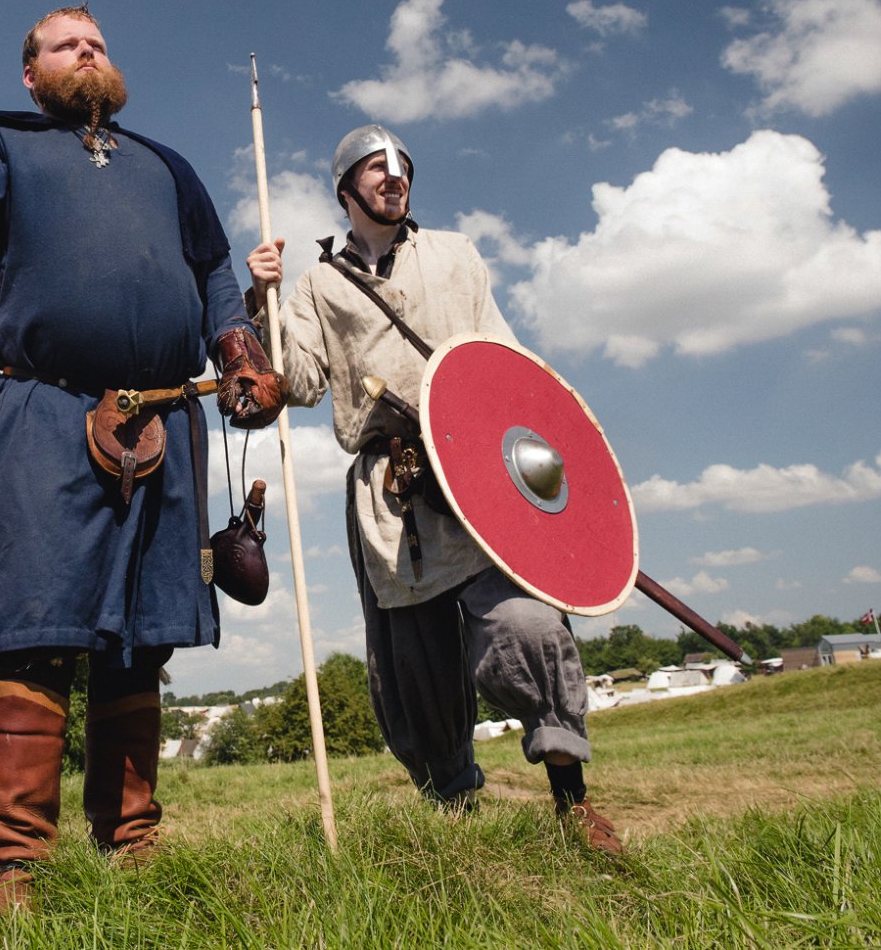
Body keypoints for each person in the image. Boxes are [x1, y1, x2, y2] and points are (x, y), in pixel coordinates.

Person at [0, 0, 284, 907]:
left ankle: (133, 842)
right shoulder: (2, 146)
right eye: (64, 45)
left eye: (95, 40)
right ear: (30, 73)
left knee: (139, 645)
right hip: (47, 416)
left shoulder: (166, 166)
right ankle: (13, 864)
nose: (87, 51)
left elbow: (212, 268)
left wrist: (240, 352)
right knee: (37, 638)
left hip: (167, 419)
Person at [244, 125, 623, 857]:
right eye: (375, 169)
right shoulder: (320, 284)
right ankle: (455, 821)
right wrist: (265, 301)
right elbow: (302, 383)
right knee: (417, 679)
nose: (393, 178)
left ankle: (572, 805)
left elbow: (506, 362)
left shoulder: (455, 255)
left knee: (531, 630)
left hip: (482, 481)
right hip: (393, 497)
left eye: (401, 168)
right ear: (346, 189)